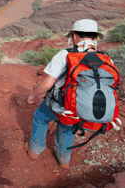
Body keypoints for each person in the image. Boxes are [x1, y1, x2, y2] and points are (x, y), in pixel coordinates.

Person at [24, 19, 105, 168]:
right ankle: (64, 161)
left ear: (74, 36)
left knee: (40, 117)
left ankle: (34, 150)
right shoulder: (105, 58)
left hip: (59, 104)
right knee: (68, 128)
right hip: (84, 109)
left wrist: (33, 95)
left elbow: (47, 83)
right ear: (95, 38)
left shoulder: (65, 55)